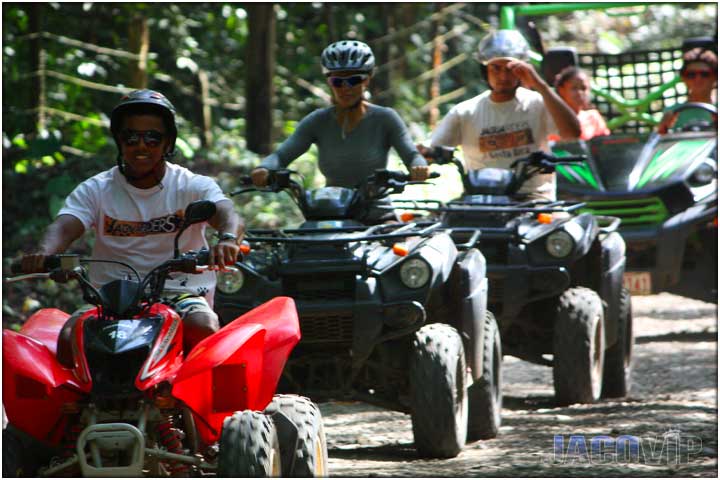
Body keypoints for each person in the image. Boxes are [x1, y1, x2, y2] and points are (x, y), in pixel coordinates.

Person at [20, 89, 244, 363]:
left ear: (167, 143)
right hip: (110, 298)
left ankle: (200, 404)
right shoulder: (97, 189)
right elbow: (66, 225)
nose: (141, 145)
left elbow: (225, 211)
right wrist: (44, 253)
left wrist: (228, 239)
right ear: (119, 141)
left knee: (203, 327)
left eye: (152, 137)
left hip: (179, 292)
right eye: (131, 137)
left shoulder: (190, 185)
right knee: (69, 339)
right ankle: (75, 406)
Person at [250, 40, 429, 221]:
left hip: (377, 214)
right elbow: (281, 156)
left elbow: (411, 154)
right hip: (329, 213)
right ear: (329, 82)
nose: (346, 88)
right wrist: (264, 168)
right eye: (337, 81)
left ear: (366, 79)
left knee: (396, 246)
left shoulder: (385, 118)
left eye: (353, 80)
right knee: (301, 246)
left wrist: (418, 166)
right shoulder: (317, 121)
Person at [420, 29, 581, 201]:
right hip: (482, 198)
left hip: (533, 198)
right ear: (485, 70)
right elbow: (431, 150)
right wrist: (422, 154)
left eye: (510, 70)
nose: (503, 76)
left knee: (561, 225)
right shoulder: (465, 111)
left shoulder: (538, 103)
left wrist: (539, 84)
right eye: (495, 68)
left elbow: (572, 133)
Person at [657, 47, 717, 134]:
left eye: (704, 74)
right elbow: (659, 142)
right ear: (683, 78)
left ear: (715, 77)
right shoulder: (672, 112)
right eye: (691, 74)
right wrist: (663, 129)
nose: (698, 79)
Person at [550, 66, 610, 141]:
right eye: (574, 88)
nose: (579, 93)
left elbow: (604, 145)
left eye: (583, 88)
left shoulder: (593, 117)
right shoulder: (551, 118)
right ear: (561, 90)